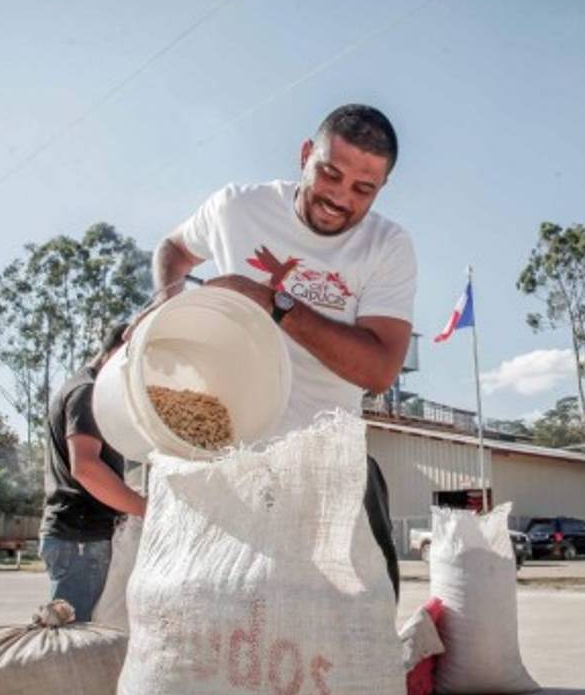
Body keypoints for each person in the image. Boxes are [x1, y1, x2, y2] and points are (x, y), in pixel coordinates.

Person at [151, 104, 415, 599]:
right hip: (229, 462)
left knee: (357, 623)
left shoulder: (387, 246)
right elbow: (173, 248)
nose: (340, 198)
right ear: (304, 156)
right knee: (218, 616)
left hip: (326, 470)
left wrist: (274, 302)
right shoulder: (237, 207)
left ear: (381, 190)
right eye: (330, 174)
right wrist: (165, 307)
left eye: (363, 189)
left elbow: (379, 371)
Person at [41, 321, 148, 621]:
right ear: (118, 352)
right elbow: (86, 467)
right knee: (73, 645)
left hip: (77, 536)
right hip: (81, 539)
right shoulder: (88, 392)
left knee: (74, 637)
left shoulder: (80, 386)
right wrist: (144, 508)